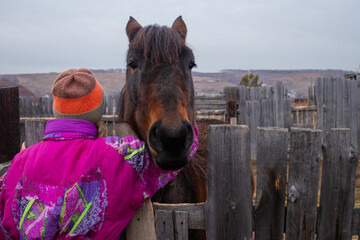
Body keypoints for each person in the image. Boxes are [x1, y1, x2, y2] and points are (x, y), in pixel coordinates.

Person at [0, 69, 199, 239]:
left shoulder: (20, 163)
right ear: (98, 110)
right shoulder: (116, 157)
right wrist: (176, 107)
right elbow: (181, 146)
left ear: (56, 109)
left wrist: (25, 160)